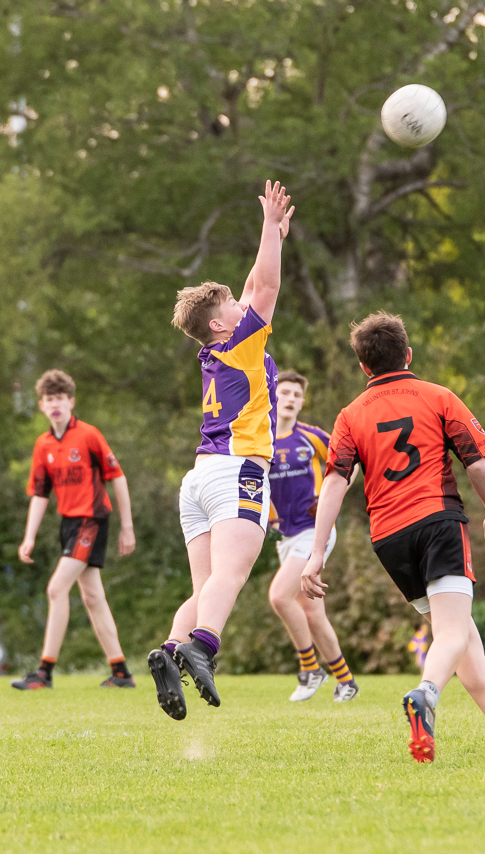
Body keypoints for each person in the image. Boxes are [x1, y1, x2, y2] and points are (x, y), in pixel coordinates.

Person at [301, 311, 485, 762]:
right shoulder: (438, 397)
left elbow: (335, 482)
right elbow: (475, 462)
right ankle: (426, 694)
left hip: (389, 540)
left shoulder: (350, 415)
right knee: (454, 633)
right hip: (438, 522)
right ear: (409, 354)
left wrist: (316, 552)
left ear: (364, 366)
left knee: (463, 639)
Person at [147, 180, 294, 719]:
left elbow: (255, 281)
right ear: (218, 323)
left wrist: (275, 235)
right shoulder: (239, 343)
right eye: (232, 302)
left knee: (208, 583)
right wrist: (267, 228)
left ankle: (169, 650)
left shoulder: (219, 351)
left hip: (199, 480)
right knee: (232, 575)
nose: (242, 299)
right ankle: (201, 647)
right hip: (237, 471)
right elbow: (268, 286)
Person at [13, 369, 136, 690]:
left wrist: (128, 527)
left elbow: (117, 477)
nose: (55, 405)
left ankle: (44, 671)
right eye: (48, 399)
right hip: (69, 524)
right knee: (93, 596)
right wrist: (28, 537)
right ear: (41, 405)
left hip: (91, 521)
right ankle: (121, 671)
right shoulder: (43, 445)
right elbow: (40, 494)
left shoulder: (88, 435)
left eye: (60, 399)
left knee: (56, 589)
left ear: (71, 401)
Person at [268, 370, 358, 702]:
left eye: (295, 394)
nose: (289, 398)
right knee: (311, 612)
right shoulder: (260, 439)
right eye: (284, 392)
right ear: (271, 395)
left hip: (314, 532)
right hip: (286, 536)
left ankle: (310, 670)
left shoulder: (312, 437)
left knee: (279, 596)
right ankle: (346, 681)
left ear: (303, 402)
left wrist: (333, 497)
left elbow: (351, 463)